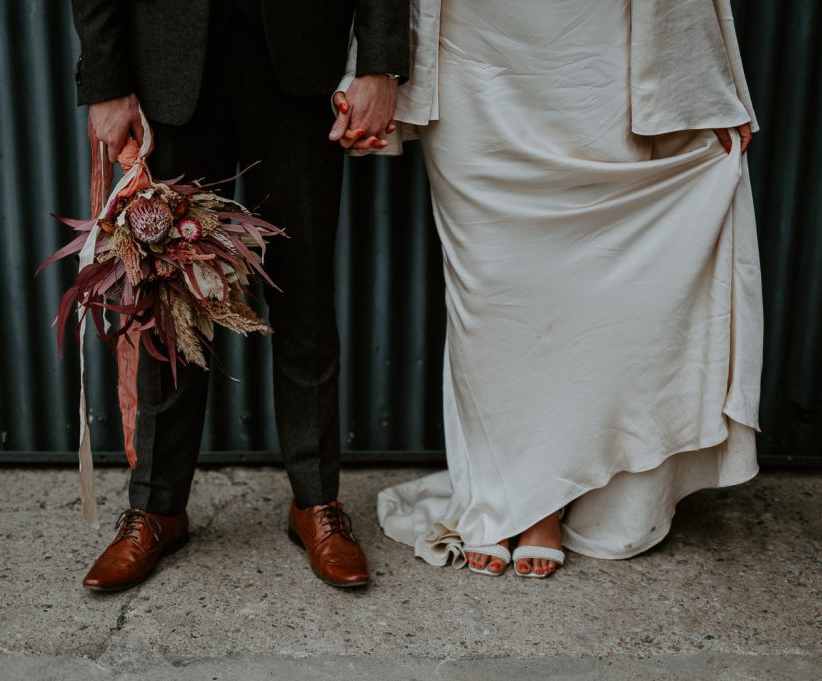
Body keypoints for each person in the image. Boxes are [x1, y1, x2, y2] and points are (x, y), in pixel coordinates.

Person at [334, 0, 763, 578]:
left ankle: (545, 500)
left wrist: (705, 80)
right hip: (473, 43)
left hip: (595, 45)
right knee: (490, 289)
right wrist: (376, 68)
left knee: (588, 285)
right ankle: (504, 489)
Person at [71, 0, 409, 591]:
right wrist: (107, 79)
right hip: (167, 62)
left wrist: (380, 63)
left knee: (304, 286)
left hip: (301, 59)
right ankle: (157, 507)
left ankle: (315, 503)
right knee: (168, 294)